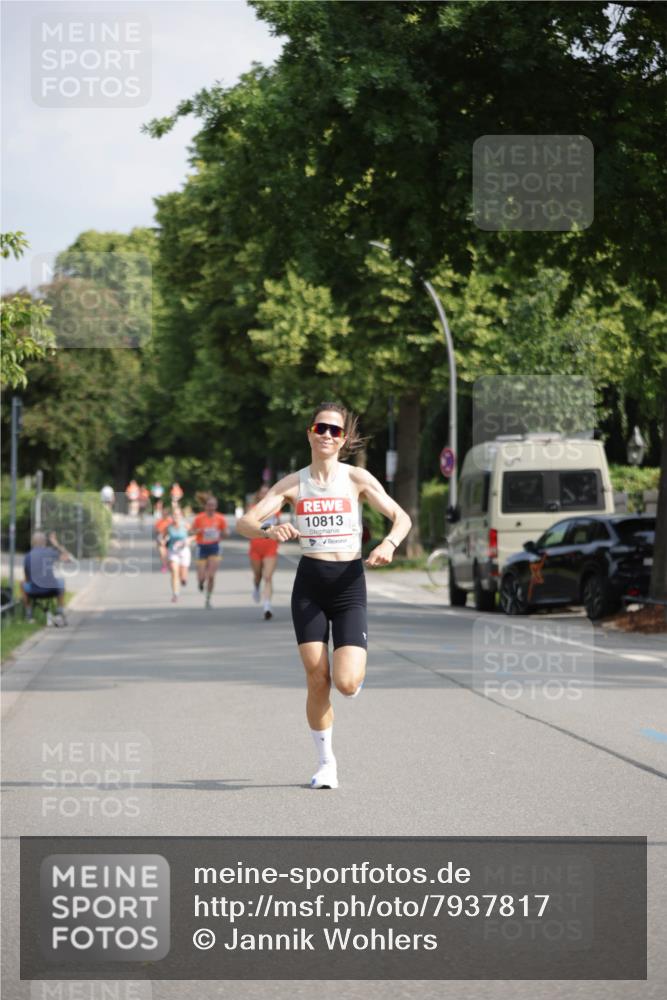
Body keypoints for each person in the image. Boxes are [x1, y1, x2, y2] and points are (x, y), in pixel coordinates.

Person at [237, 401, 411, 790]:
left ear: (344, 438)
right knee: (318, 679)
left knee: (346, 684)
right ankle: (326, 763)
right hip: (310, 585)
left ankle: (354, 674)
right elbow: (245, 522)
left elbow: (402, 517)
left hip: (349, 583)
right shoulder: (293, 484)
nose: (328, 435)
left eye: (335, 430)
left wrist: (390, 543)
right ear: (310, 433)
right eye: (321, 428)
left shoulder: (356, 479)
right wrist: (270, 530)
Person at [20, 531, 71, 626]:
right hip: (51, 590)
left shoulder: (27, 556)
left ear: (32, 542)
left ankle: (29, 614)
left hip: (34, 591)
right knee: (61, 581)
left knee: (22, 583)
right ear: (44, 542)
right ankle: (59, 612)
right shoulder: (50, 552)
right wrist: (56, 543)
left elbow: (26, 578)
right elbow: (67, 558)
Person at [246, 484, 281, 620]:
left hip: (270, 546)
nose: (265, 495)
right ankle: (256, 586)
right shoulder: (252, 510)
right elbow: (247, 527)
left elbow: (277, 525)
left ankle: (267, 606)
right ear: (259, 495)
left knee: (268, 577)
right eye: (263, 493)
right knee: (258, 575)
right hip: (255, 546)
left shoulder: (275, 510)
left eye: (268, 493)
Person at [192, 495, 229, 608]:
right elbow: (192, 531)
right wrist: (199, 531)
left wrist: (223, 533)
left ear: (216, 506)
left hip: (214, 547)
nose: (211, 507)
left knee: (211, 576)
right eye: (209, 505)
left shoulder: (220, 518)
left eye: (213, 505)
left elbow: (226, 533)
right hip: (201, 547)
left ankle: (208, 598)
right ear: (205, 506)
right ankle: (200, 582)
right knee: (202, 576)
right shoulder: (199, 518)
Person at [160, 507, 195, 603]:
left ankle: (183, 579)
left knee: (183, 577)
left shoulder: (186, 525)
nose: (176, 517)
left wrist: (189, 540)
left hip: (184, 551)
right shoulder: (169, 527)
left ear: (181, 516)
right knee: (174, 573)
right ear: (171, 516)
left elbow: (195, 535)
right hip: (173, 552)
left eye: (178, 515)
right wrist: (163, 541)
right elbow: (163, 537)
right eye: (174, 515)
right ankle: (175, 594)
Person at [154, 507, 174, 573]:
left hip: (170, 539)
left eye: (166, 514)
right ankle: (164, 565)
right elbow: (156, 532)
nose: (164, 515)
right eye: (163, 514)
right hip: (161, 539)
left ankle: (169, 563)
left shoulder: (171, 521)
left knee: (168, 553)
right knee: (162, 553)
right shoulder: (159, 522)